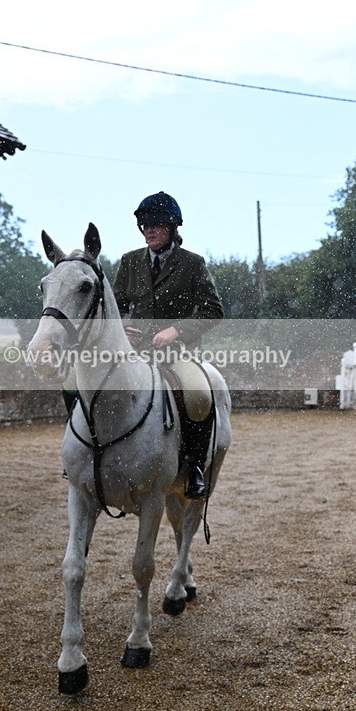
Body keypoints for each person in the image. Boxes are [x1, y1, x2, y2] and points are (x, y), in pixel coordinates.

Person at [113, 191, 224, 499]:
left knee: (198, 393)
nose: (149, 230)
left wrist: (176, 330)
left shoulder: (192, 264)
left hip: (178, 352)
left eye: (157, 224)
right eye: (145, 224)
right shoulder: (130, 262)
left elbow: (213, 310)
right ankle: (91, 452)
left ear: (173, 228)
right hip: (133, 351)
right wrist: (123, 326)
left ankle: (195, 466)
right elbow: (116, 306)